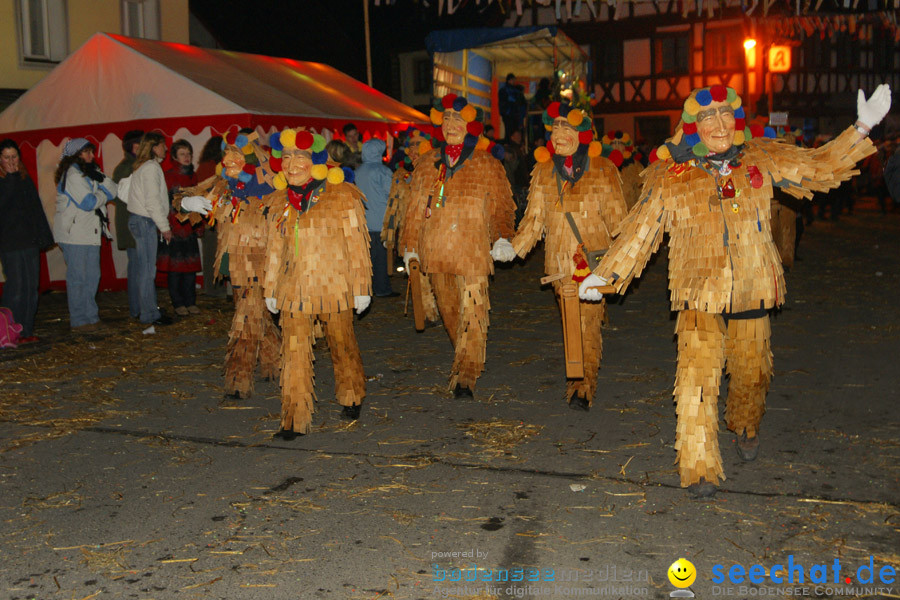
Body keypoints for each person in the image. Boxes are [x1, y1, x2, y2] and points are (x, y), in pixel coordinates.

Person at [579, 83, 892, 497]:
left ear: (737, 121)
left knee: (752, 373)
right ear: (693, 126)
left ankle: (744, 424)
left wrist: (862, 126)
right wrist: (606, 276)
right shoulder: (669, 176)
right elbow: (641, 232)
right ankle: (699, 467)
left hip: (752, 288)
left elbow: (819, 168)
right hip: (697, 291)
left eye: (726, 114)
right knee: (695, 380)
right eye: (708, 116)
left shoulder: (761, 156)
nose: (719, 123)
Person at [511, 102, 628, 409]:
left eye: (567, 128)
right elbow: (534, 220)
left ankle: (583, 385)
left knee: (586, 322)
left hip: (594, 261)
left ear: (583, 134)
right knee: (570, 320)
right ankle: (578, 377)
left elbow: (619, 223)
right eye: (555, 128)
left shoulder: (603, 170)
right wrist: (513, 248)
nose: (559, 134)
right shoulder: (543, 172)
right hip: (559, 262)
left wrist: (618, 266)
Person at [400, 93, 517, 398]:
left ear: (471, 125)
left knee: (474, 310)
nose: (451, 124)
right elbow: (414, 207)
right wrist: (410, 243)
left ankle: (466, 374)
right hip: (435, 250)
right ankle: (463, 352)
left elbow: (500, 204)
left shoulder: (486, 162)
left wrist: (502, 236)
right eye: (446, 119)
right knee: (450, 311)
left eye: (458, 119)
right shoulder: (427, 162)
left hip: (473, 250)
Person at [263, 129, 372, 438]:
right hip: (292, 287)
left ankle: (351, 394)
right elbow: (273, 250)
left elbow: (357, 243)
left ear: (316, 161)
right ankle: (294, 418)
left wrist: (361, 286)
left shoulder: (343, 195)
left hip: (334, 286)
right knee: (293, 351)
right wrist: (270, 289)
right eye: (286, 157)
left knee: (341, 343)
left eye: (299, 156)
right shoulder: (277, 202)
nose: (291, 163)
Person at [177, 130, 281, 399]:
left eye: (237, 153)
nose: (230, 160)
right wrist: (188, 201)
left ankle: (238, 379)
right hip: (234, 263)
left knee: (246, 319)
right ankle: (275, 362)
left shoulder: (267, 184)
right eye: (227, 154)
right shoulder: (224, 183)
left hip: (259, 263)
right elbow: (184, 199)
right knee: (255, 313)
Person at [53, 138, 117, 331]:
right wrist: (103, 194)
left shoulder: (90, 173)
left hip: (90, 231)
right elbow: (88, 202)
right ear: (75, 155)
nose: (91, 156)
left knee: (92, 277)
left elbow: (114, 189)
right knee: (78, 278)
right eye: (86, 152)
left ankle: (91, 317)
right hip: (75, 234)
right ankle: (80, 320)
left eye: (91, 151)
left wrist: (103, 184)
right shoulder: (72, 175)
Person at [0, 139, 54, 342]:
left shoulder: (24, 178)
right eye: (7, 157)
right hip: (10, 242)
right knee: (16, 287)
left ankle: (26, 330)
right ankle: (9, 330)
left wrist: (44, 236)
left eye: (14, 156)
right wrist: (11, 178)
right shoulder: (5, 181)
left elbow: (35, 208)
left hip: (29, 240)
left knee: (31, 287)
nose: (11, 161)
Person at [127, 132, 173, 329]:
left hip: (141, 220)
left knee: (144, 269)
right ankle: (149, 314)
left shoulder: (143, 167)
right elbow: (152, 201)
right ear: (154, 147)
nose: (166, 149)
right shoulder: (151, 168)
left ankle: (147, 308)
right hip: (145, 220)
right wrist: (165, 227)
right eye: (163, 145)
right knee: (147, 270)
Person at [159, 139, 203, 315]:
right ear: (175, 157)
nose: (187, 157)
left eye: (189, 154)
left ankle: (191, 301)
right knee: (175, 269)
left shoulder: (193, 176)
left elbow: (199, 202)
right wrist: (168, 225)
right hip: (174, 228)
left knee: (190, 269)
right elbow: (164, 203)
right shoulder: (168, 176)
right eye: (183, 154)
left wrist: (199, 223)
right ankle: (178, 303)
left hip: (190, 228)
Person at [355, 138, 397, 297]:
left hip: (364, 220)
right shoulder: (382, 171)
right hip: (380, 220)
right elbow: (391, 193)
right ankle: (382, 289)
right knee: (381, 258)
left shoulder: (359, 171)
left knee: (367, 258)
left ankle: (367, 287)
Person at [111, 129, 144, 319]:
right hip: (132, 223)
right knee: (137, 268)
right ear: (134, 146)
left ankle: (141, 306)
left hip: (137, 222)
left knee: (142, 267)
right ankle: (136, 308)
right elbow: (120, 196)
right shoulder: (125, 168)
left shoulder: (138, 165)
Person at [195, 136, 225, 297]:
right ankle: (213, 290)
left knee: (212, 256)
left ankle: (214, 289)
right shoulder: (211, 168)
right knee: (212, 257)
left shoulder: (205, 166)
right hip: (211, 218)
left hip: (211, 218)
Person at [601, 131, 644, 211]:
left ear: (625, 147)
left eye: (620, 143)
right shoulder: (601, 166)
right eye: (613, 143)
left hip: (630, 213)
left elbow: (641, 192)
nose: (617, 146)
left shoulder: (635, 166)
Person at [499, 73, 527, 141]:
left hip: (511, 115)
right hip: (510, 114)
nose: (514, 81)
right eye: (513, 80)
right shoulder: (507, 90)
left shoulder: (506, 90)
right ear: (509, 80)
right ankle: (510, 144)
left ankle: (510, 144)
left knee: (511, 131)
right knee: (511, 131)